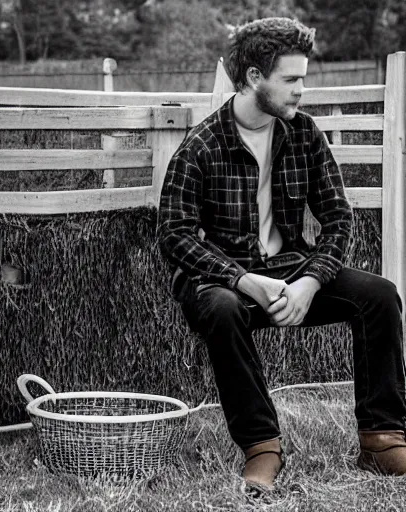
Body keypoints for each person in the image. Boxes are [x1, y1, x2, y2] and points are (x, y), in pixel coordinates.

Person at [157, 17, 406, 494]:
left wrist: (310, 282)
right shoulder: (201, 147)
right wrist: (243, 280)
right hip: (221, 282)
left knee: (379, 295)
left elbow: (338, 218)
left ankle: (381, 437)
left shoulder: (304, 134)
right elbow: (177, 235)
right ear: (254, 78)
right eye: (291, 80)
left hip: (291, 270)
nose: (302, 91)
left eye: (303, 79)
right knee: (225, 309)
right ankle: (262, 448)